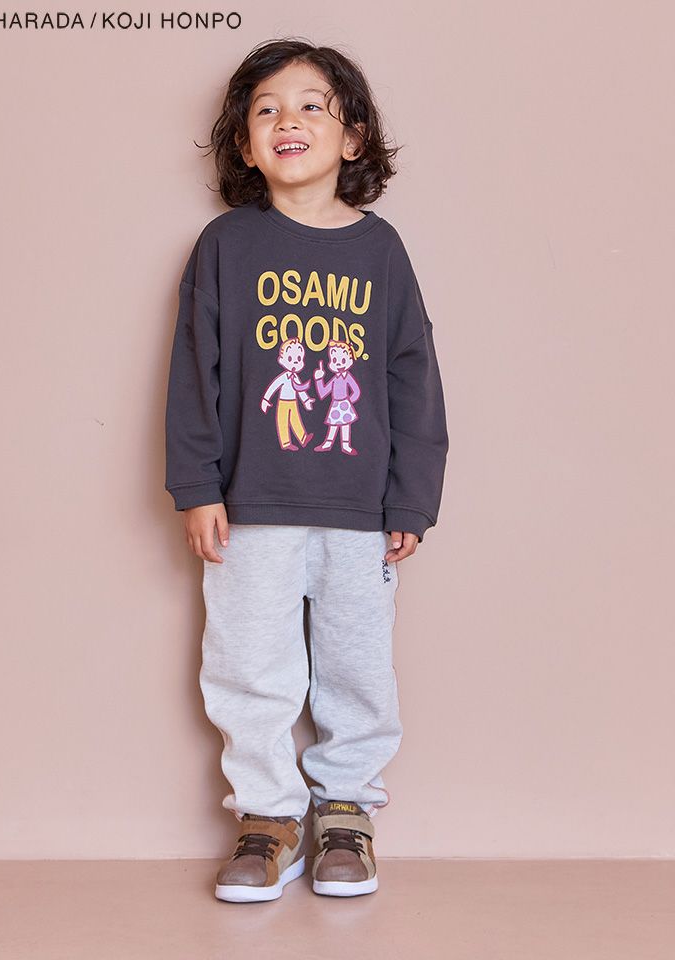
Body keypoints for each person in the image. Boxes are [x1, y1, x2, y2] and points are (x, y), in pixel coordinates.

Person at [164, 38, 449, 903]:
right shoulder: (225, 245)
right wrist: (197, 487)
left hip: (361, 510)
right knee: (248, 667)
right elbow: (195, 372)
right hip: (250, 509)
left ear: (352, 136)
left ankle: (346, 810)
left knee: (357, 669)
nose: (288, 119)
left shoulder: (382, 251)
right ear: (245, 146)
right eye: (266, 110)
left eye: (312, 105)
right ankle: (267, 817)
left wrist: (413, 498)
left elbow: (413, 377)